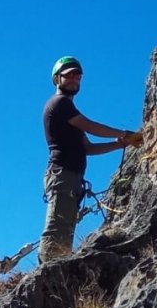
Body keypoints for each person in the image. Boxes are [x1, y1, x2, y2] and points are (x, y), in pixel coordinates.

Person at [38, 57, 142, 263]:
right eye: (68, 75)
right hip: (63, 175)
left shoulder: (66, 111)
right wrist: (125, 134)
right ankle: (49, 273)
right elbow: (90, 126)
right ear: (57, 78)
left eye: (78, 75)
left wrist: (120, 144)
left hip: (69, 176)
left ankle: (56, 270)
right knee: (57, 229)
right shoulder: (59, 103)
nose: (74, 79)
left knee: (65, 228)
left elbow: (88, 148)